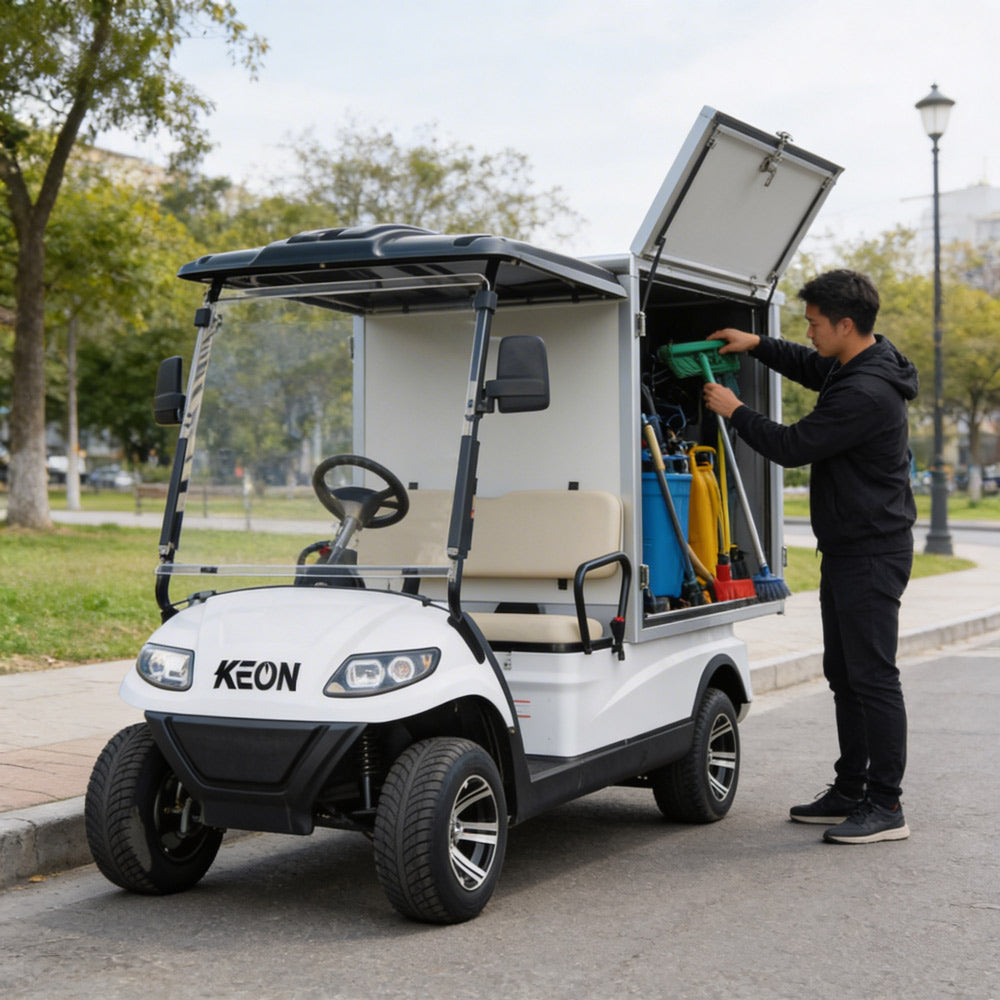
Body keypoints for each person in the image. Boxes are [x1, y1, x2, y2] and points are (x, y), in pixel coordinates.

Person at [702, 269, 918, 845]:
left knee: (872, 678)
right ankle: (852, 788)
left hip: (871, 550)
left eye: (815, 323)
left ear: (846, 325)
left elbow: (793, 446)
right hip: (852, 546)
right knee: (845, 674)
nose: (809, 330)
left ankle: (886, 805)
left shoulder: (865, 392)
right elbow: (810, 364)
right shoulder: (861, 362)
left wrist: (734, 409)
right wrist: (759, 344)